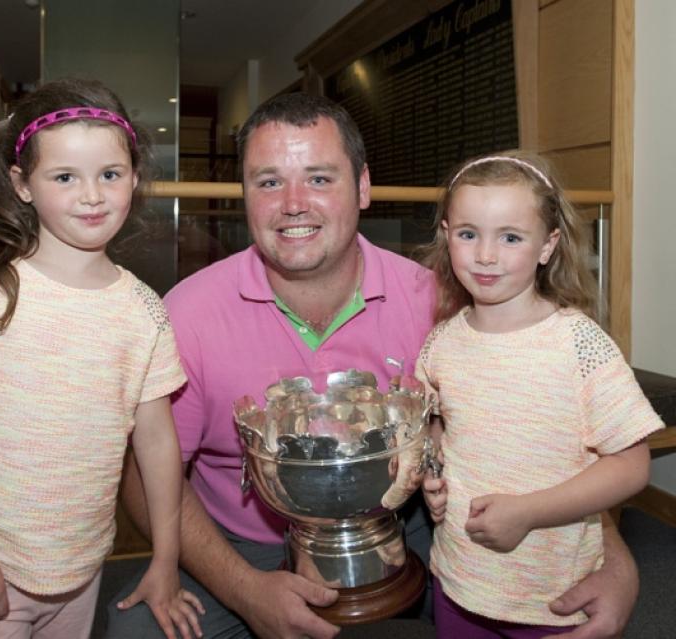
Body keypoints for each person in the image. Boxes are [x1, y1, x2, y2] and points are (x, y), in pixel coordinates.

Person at [108, 94, 643, 639]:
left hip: (407, 523)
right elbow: (144, 479)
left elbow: (538, 441)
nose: (294, 203)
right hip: (243, 543)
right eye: (269, 182)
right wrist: (245, 590)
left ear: (362, 187)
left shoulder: (441, 301)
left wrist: (614, 562)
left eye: (319, 178)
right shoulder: (187, 314)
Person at [0, 79, 202, 639]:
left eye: (111, 174)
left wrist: (165, 559)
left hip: (82, 571)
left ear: (134, 176)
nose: (92, 196)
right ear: (22, 184)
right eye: (64, 177)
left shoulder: (145, 310)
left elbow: (157, 443)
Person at [415, 152, 664, 638]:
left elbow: (632, 464)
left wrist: (529, 512)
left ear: (547, 246)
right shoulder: (441, 341)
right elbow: (437, 422)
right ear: (447, 236)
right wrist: (434, 470)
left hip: (550, 594)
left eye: (510, 237)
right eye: (469, 234)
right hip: (460, 583)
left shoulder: (580, 344)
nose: (486, 255)